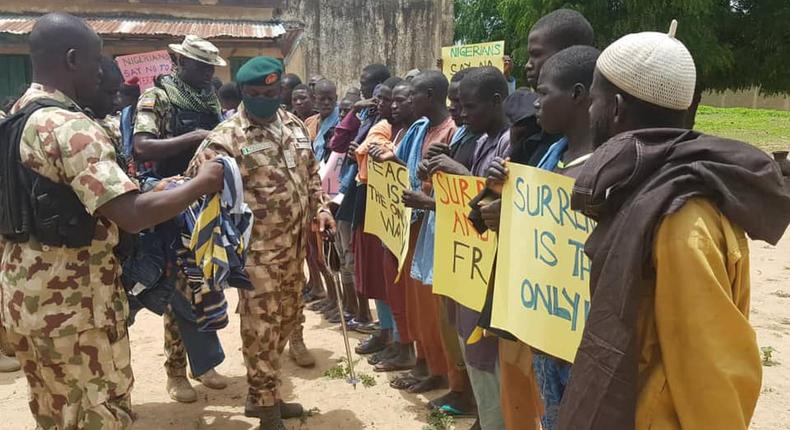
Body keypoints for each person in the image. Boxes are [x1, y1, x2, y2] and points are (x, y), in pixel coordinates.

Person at [557, 21, 790, 430]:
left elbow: (712, 375)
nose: (590, 111)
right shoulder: (646, 187)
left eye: (593, 100)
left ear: (614, 108)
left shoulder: (681, 220)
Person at [0, 13, 224, 429]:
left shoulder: (17, 116)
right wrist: (202, 184)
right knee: (99, 414)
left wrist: (163, 187)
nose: (104, 73)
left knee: (55, 411)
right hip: (75, 306)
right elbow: (130, 215)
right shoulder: (70, 128)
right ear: (72, 60)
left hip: (28, 299)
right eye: (95, 60)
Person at [188, 56, 336, 430]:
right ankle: (267, 408)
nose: (265, 99)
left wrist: (320, 207)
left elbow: (310, 172)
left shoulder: (294, 125)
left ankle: (262, 395)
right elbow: (196, 181)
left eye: (271, 92)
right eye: (256, 94)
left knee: (285, 323)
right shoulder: (227, 135)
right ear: (243, 93)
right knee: (261, 330)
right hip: (257, 255)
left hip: (295, 248)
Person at [488, 46, 600, 430]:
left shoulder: (606, 168)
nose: (536, 104)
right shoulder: (551, 156)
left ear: (578, 94)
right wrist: (503, 209)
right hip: (547, 327)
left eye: (544, 93)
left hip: (584, 338)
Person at [132, 34, 229, 402]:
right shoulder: (157, 97)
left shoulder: (210, 99)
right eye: (202, 65)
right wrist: (196, 137)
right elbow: (141, 148)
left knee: (206, 286)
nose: (208, 73)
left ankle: (202, 363)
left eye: (211, 67)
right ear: (180, 62)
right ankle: (176, 372)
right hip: (171, 203)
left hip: (205, 204)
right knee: (178, 289)